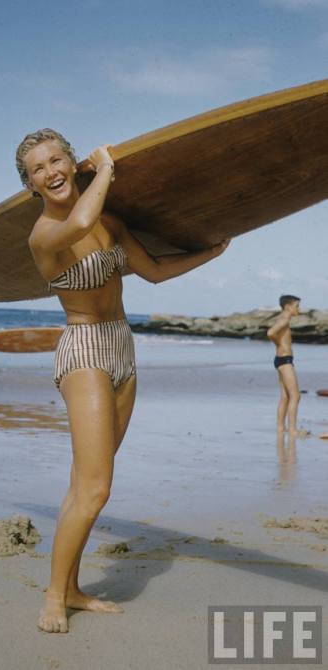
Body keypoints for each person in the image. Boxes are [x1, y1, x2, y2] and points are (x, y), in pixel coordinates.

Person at [16, 128, 229, 633]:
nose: (51, 172)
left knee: (84, 484)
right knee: (95, 488)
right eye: (38, 169)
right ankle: (53, 596)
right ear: (31, 186)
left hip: (123, 349)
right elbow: (82, 217)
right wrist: (108, 167)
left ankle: (72, 587)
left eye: (57, 159)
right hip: (84, 350)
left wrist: (213, 252)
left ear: (72, 161)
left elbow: (152, 271)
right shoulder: (44, 235)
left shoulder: (110, 221)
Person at [267, 294, 301, 434]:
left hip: (280, 360)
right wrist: (279, 344)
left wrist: (278, 344)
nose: (299, 309)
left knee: (285, 396)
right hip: (285, 360)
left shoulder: (281, 318)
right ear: (288, 306)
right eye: (297, 306)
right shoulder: (285, 319)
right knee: (295, 396)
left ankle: (281, 428)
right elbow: (270, 333)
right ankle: (292, 429)